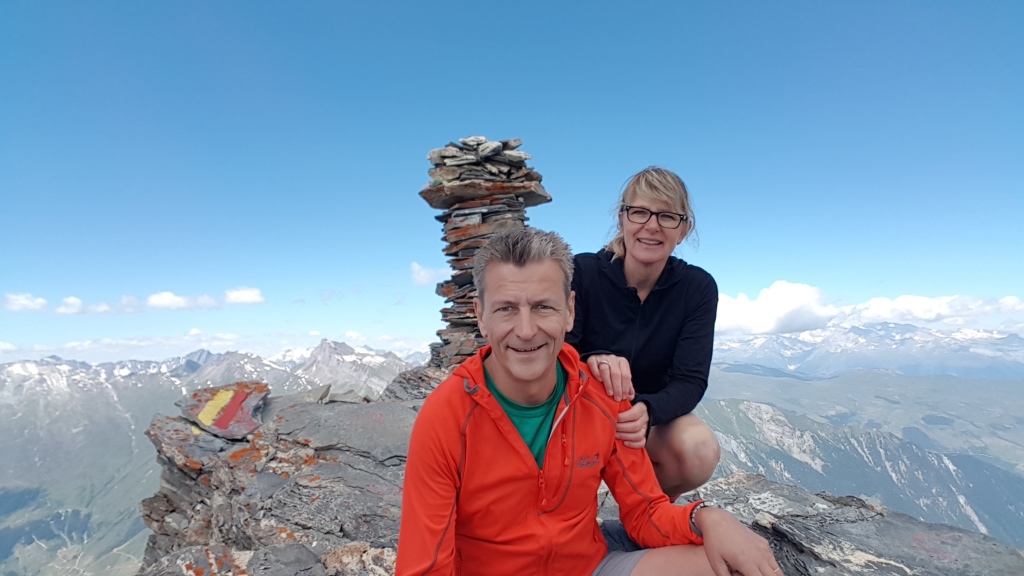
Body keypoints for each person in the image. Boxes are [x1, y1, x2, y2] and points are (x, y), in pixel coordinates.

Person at [396, 227, 782, 576]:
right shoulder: (446, 417)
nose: (526, 330)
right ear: (481, 316)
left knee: (726, 565)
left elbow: (646, 512)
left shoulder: (599, 396)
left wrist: (709, 519)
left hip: (588, 566)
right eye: (506, 308)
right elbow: (425, 567)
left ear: (569, 311)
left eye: (543, 306)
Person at [567, 166, 721, 500]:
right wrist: (593, 359)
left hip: (643, 422)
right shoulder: (582, 273)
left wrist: (648, 410)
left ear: (683, 230)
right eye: (639, 212)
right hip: (578, 411)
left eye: (667, 216)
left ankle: (643, 513)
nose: (652, 225)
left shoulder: (697, 289)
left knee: (698, 450)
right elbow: (556, 354)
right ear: (621, 219)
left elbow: (690, 380)